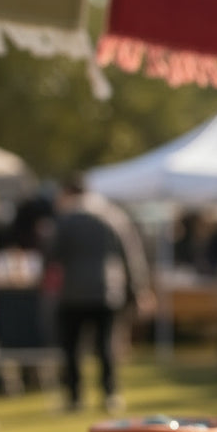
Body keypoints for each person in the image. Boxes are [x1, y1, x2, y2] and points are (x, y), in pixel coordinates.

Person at [48, 175, 152, 412]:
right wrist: (139, 290)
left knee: (72, 348)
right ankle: (110, 393)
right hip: (108, 290)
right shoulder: (113, 216)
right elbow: (131, 256)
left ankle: (74, 397)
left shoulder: (66, 220)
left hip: (72, 291)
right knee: (106, 345)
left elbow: (52, 255)